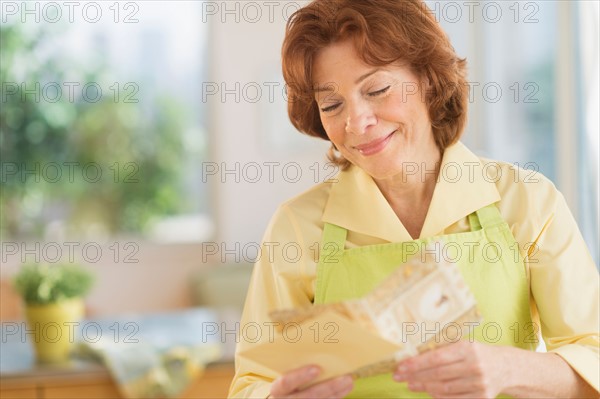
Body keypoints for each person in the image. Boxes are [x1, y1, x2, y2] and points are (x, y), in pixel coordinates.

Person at [228, 0, 600, 398]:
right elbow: (251, 381)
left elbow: (592, 355)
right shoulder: (298, 227)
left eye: (377, 89)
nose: (357, 122)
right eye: (332, 105)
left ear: (428, 79)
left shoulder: (527, 201)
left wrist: (508, 369)